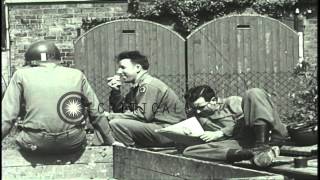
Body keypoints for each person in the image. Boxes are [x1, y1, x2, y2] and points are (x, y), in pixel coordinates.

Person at [2, 40, 123, 154]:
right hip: (72, 141)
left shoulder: (21, 75)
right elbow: (96, 111)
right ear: (57, 59)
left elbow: (7, 116)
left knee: (22, 137)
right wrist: (110, 141)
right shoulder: (76, 74)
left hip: (35, 142)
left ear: (31, 61)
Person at [182, 85, 289, 167]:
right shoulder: (198, 115)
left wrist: (220, 133)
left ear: (213, 100)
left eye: (200, 106)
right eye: (194, 108)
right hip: (242, 143)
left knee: (253, 93)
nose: (198, 111)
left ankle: (262, 147)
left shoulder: (232, 103)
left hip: (263, 135)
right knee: (189, 151)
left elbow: (247, 121)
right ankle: (248, 154)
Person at [106, 51, 186, 147]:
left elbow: (142, 116)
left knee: (116, 124)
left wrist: (110, 116)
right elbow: (123, 112)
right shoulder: (137, 88)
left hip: (171, 132)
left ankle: (133, 154)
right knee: (112, 123)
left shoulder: (149, 85)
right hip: (157, 128)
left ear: (138, 68)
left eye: (123, 67)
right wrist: (116, 91)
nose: (118, 71)